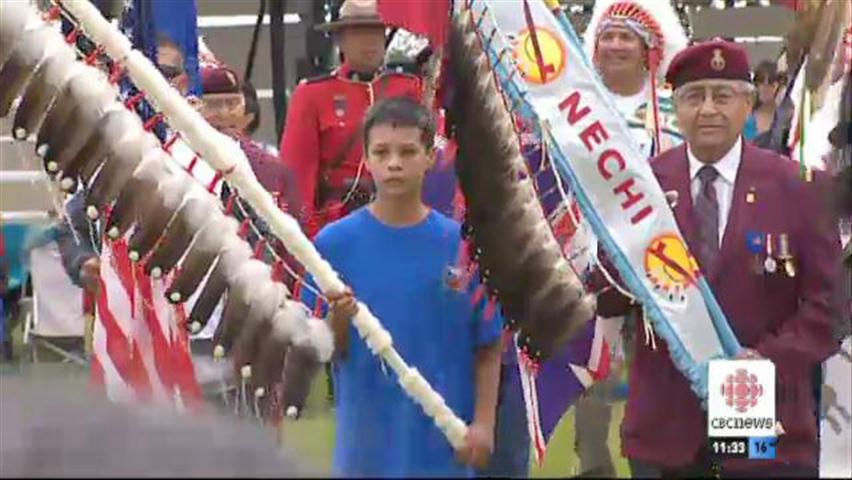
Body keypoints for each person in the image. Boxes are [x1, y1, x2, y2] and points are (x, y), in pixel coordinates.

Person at [602, 38, 842, 478]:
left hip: (765, 423)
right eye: (695, 96)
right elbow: (608, 296)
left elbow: (831, 307)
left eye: (723, 95)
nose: (708, 109)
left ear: (748, 103)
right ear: (676, 106)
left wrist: (766, 361)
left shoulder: (800, 188)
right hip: (666, 432)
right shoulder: (642, 188)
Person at [301, 96, 502, 477]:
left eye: (408, 151)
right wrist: (339, 320)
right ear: (367, 157)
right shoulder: (334, 245)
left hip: (444, 443)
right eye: (382, 151)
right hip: (367, 445)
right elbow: (325, 350)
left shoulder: (463, 245)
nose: (394, 163)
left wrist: (484, 424)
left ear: (430, 157)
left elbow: (489, 345)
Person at [575, 1, 689, 476]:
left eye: (627, 37)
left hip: (664, 261)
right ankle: (593, 465)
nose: (616, 45)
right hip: (588, 263)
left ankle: (665, 461)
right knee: (591, 375)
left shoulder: (677, 108)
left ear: (649, 49)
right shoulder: (573, 106)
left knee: (667, 374)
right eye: (608, 36)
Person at [279, 0, 422, 239]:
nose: (371, 40)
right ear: (340, 39)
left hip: (403, 223)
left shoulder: (408, 89)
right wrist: (308, 244)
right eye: (359, 32)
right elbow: (296, 179)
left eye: (377, 31)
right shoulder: (312, 95)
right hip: (338, 227)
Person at [744, 60, 783, 143]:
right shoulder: (745, 119)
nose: (764, 87)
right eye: (760, 80)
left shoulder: (785, 121)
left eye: (771, 82)